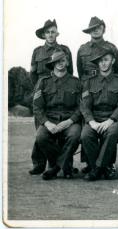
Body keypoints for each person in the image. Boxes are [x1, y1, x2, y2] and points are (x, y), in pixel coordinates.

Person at [77, 16, 118, 176]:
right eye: (91, 29)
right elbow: (80, 71)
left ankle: (106, 165)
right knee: (87, 130)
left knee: (109, 131)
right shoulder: (82, 49)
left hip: (110, 85)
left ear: (103, 28)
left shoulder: (112, 48)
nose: (95, 30)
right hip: (89, 86)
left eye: (98, 27)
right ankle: (91, 163)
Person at [29, 19, 73, 175]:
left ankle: (59, 164)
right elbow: (33, 73)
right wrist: (39, 89)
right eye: (47, 32)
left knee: (62, 132)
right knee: (42, 129)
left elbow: (71, 71)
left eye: (53, 31)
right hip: (43, 91)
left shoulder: (64, 50)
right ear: (43, 35)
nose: (50, 35)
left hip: (61, 90)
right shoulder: (37, 51)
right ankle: (39, 164)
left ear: (57, 33)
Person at [32, 50, 82, 180]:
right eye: (56, 61)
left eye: (62, 60)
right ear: (52, 64)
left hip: (69, 120)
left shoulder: (76, 82)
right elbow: (37, 107)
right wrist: (47, 123)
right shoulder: (43, 82)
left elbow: (81, 107)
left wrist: (70, 121)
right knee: (41, 136)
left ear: (67, 62)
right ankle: (66, 166)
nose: (60, 63)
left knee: (75, 135)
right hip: (50, 119)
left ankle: (55, 168)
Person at [80, 47, 118, 181]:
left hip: (115, 119)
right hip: (95, 118)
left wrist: (111, 120)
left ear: (112, 61)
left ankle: (97, 169)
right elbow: (84, 105)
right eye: (100, 61)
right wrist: (92, 122)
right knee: (85, 135)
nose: (103, 63)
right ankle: (102, 167)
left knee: (111, 133)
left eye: (106, 60)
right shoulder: (89, 82)